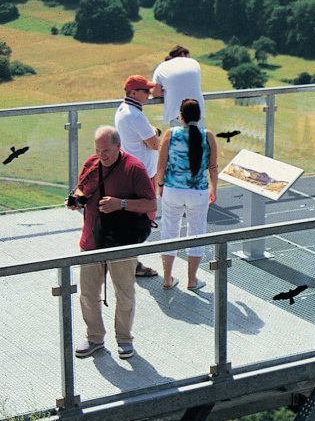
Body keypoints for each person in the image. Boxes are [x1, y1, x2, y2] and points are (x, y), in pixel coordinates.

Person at [68, 126, 156, 360]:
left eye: (106, 150)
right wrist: (77, 199)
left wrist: (121, 204)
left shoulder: (134, 169)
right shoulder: (91, 163)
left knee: (124, 292)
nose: (101, 155)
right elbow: (81, 187)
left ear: (118, 146)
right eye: (98, 150)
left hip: (122, 241)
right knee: (87, 293)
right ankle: (94, 338)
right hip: (92, 239)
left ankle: (125, 340)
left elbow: (151, 204)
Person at [157, 99, 218, 290]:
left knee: (169, 232)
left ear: (180, 115)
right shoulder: (207, 136)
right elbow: (213, 166)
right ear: (199, 116)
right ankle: (192, 280)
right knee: (196, 232)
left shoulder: (170, 134)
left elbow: (161, 165)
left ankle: (167, 278)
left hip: (172, 190)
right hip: (198, 192)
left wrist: (160, 185)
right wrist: (214, 188)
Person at [114, 74, 161, 278]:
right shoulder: (136, 115)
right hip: (143, 174)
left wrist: (151, 131)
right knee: (143, 219)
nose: (149, 94)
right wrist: (155, 131)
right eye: (145, 91)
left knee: (134, 218)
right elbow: (154, 143)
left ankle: (128, 261)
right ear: (133, 93)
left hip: (134, 171)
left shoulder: (124, 109)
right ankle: (131, 264)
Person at [152, 45, 205, 127]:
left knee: (179, 138)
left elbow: (155, 93)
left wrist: (167, 91)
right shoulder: (194, 63)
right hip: (198, 110)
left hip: (176, 112)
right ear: (183, 54)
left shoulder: (161, 67)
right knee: (198, 138)